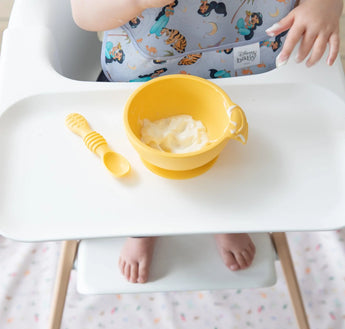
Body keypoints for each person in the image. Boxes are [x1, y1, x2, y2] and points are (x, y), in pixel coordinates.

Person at [70, 0, 343, 284]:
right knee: (140, 176)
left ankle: (226, 218)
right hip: (141, 79)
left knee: (238, 160)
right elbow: (84, 13)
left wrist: (325, 5)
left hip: (250, 78)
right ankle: (143, 228)